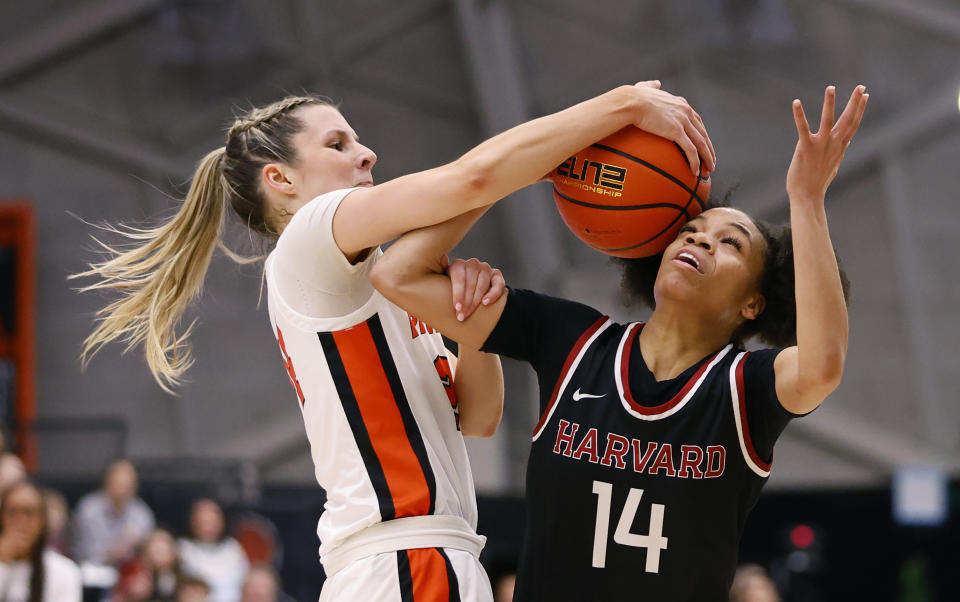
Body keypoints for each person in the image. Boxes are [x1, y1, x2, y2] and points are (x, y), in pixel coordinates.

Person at [74, 79, 714, 600]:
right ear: (281, 180)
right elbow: (471, 179)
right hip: (402, 557)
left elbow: (481, 417)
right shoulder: (309, 237)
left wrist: (474, 323)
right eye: (338, 142)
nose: (366, 152)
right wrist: (617, 108)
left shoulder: (381, 277)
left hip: (430, 556)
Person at [370, 84, 867, 601]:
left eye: (730, 244)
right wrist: (523, 171)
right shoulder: (571, 339)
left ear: (752, 304)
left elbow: (822, 365)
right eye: (692, 230)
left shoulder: (746, 389)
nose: (700, 240)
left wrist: (806, 199)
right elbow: (396, 275)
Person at [0, 481, 82, 602]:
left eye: (29, 513)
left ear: (42, 521)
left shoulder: (65, 571)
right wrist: (3, 563)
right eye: (12, 512)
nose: (20, 522)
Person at [71, 459, 155, 567]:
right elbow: (87, 553)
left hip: (129, 574)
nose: (122, 490)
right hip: (92, 571)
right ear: (107, 483)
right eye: (119, 484)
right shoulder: (89, 509)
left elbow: (150, 556)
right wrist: (120, 546)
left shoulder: (141, 513)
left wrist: (138, 545)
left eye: (127, 485)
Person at [178, 499, 248, 602]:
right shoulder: (182, 549)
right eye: (203, 520)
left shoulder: (233, 549)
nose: (207, 526)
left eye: (212, 521)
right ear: (193, 521)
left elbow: (245, 583)